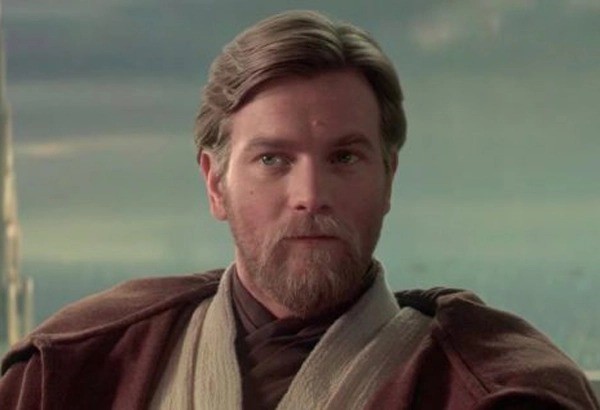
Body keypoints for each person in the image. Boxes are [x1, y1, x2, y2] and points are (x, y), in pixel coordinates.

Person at [0, 10, 598, 410]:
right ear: (215, 183)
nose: (311, 193)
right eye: (272, 159)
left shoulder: (496, 392)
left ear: (388, 177)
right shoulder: (73, 373)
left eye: (344, 157)